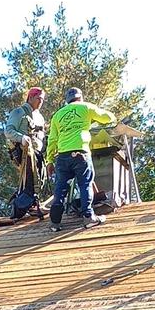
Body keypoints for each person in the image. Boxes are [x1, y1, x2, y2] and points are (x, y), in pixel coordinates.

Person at [45, 87, 116, 231]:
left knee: (60, 188)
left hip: (62, 156)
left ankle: (55, 223)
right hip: (81, 153)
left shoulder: (57, 115)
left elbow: (52, 140)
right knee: (85, 184)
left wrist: (50, 160)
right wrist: (112, 118)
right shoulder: (86, 107)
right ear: (80, 97)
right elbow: (107, 118)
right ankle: (89, 217)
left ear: (67, 100)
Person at [5, 87, 47, 211]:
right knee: (29, 180)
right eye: (39, 98)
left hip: (37, 152)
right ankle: (20, 206)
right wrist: (21, 137)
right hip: (24, 151)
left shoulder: (39, 117)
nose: (41, 102)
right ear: (31, 97)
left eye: (43, 100)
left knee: (40, 180)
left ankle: (31, 205)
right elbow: (8, 131)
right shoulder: (19, 112)